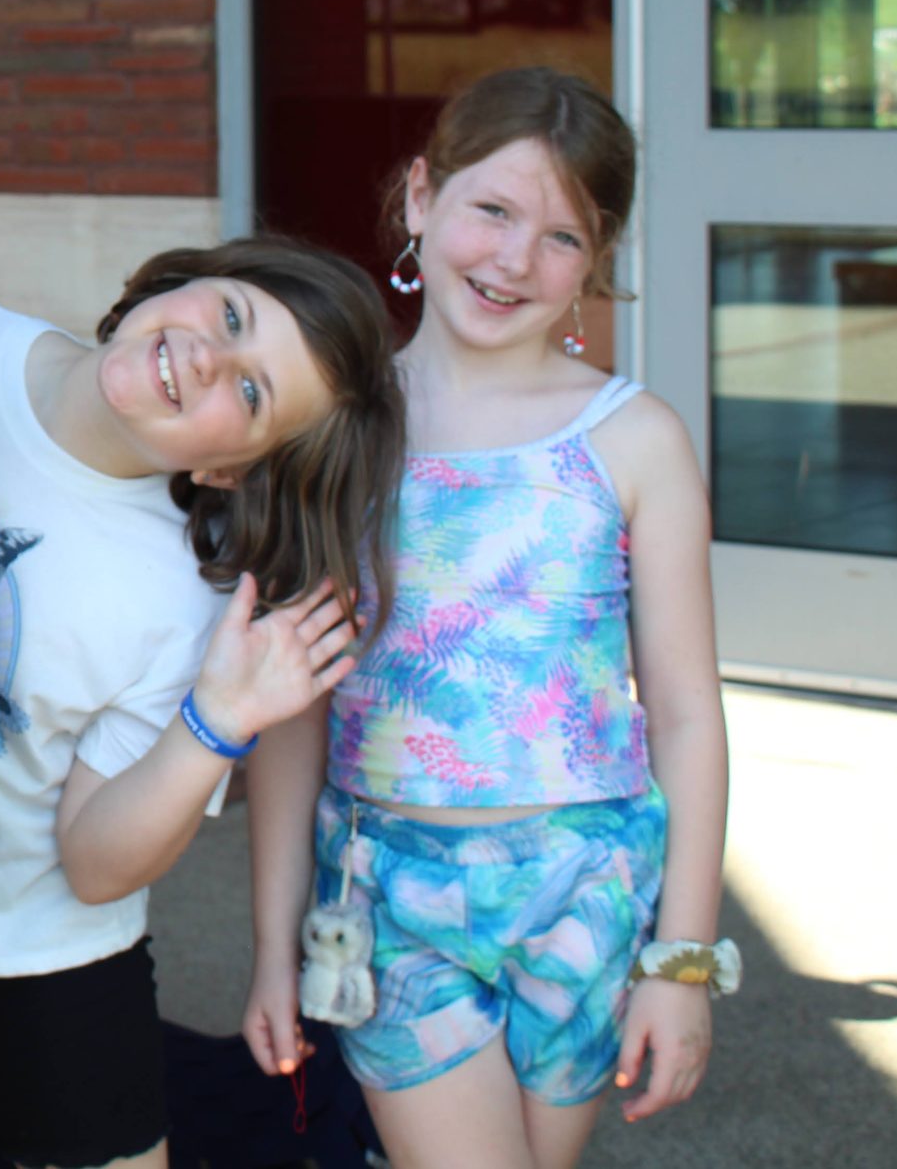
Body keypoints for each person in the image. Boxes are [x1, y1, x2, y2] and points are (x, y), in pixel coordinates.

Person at [242, 67, 732, 1169]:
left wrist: (681, 958)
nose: (514, 258)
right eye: (492, 209)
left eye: (561, 236)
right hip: (388, 890)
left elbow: (688, 715)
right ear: (421, 198)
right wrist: (273, 945)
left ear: (596, 260)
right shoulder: (335, 423)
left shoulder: (633, 438)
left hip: (586, 895)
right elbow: (290, 712)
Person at [0, 238, 406, 1169]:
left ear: (234, 471)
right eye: (233, 316)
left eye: (251, 395)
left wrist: (216, 723)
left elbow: (91, 864)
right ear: (185, 282)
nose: (209, 356)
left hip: (31, 947)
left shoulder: (186, 602)